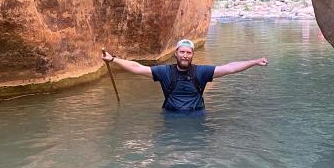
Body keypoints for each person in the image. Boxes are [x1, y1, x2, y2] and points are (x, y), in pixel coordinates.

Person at [101, 39, 267, 112]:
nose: (185, 55)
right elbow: (137, 68)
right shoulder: (164, 71)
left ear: (192, 54)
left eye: (188, 52)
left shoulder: (201, 72)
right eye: (182, 52)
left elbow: (230, 68)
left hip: (197, 115)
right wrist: (113, 59)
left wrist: (254, 61)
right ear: (176, 53)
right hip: (171, 116)